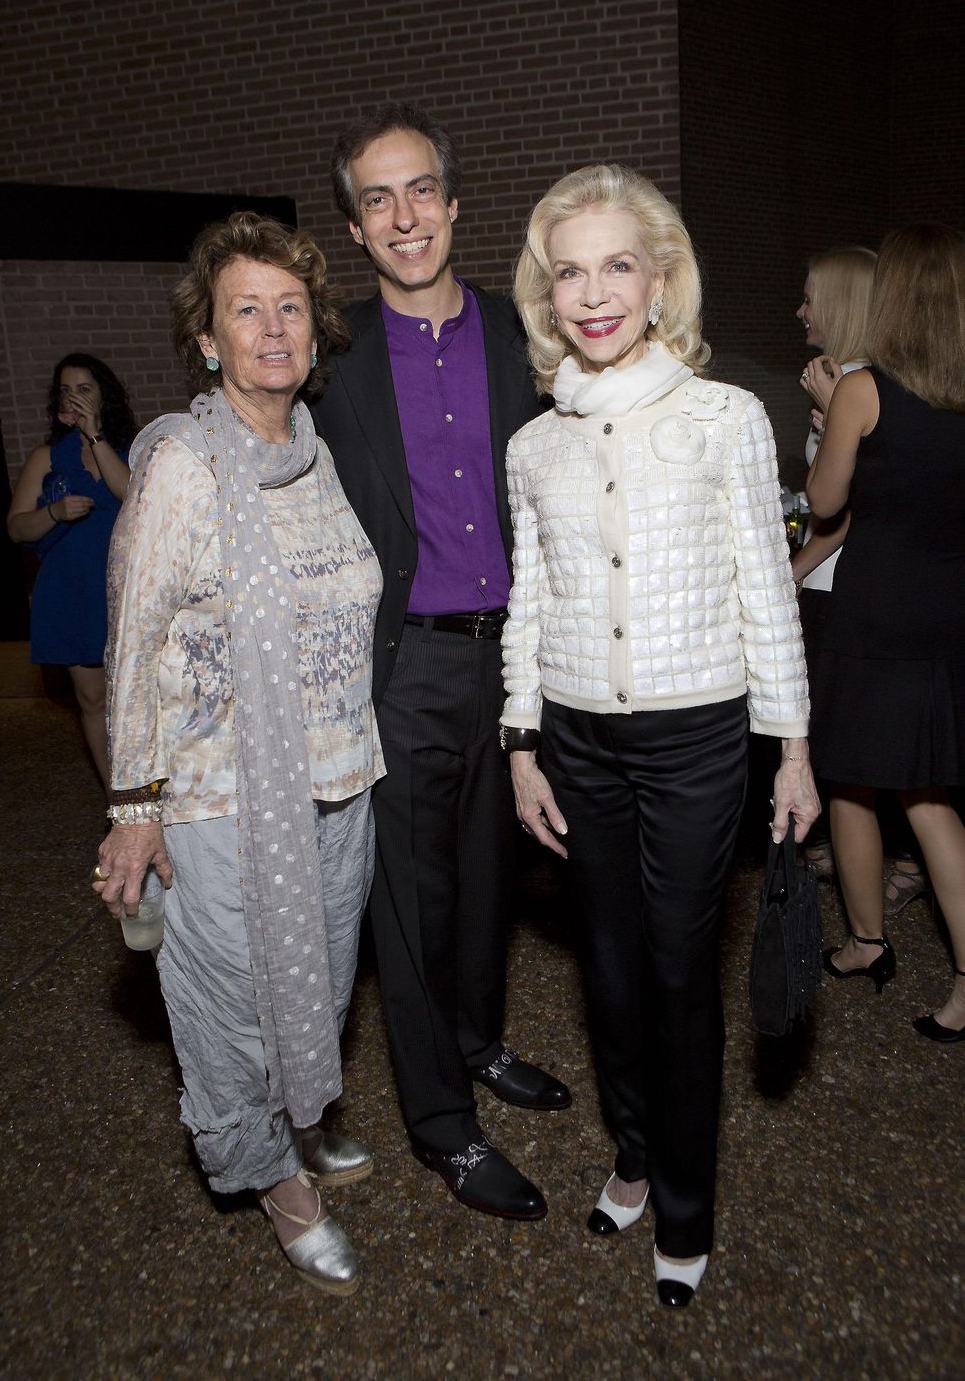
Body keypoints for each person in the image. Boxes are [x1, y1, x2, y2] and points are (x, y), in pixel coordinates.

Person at [503, 164, 817, 1304]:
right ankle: (632, 1153)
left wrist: (788, 747)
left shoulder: (723, 417)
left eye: (616, 266)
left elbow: (762, 592)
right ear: (547, 291)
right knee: (612, 973)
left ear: (659, 277)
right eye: (569, 270)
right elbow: (528, 601)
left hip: (695, 741)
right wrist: (521, 740)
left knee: (682, 975)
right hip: (575, 741)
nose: (593, 294)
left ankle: (684, 1206)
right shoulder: (533, 444)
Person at [92, 211, 385, 1292]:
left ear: (315, 331)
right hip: (218, 800)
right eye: (244, 311)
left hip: (341, 782)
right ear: (208, 342)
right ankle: (273, 1181)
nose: (272, 328)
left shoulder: (314, 455)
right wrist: (135, 806)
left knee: (318, 981)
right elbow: (131, 643)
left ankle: (297, 1125)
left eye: (290, 307)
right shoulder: (182, 465)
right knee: (230, 1005)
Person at [313, 101, 568, 1223]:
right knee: (409, 900)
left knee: (487, 875)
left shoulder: (532, 334)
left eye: (420, 189)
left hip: (513, 656)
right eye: (378, 198)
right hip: (402, 661)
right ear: (356, 232)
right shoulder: (332, 361)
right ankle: (440, 1123)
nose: (403, 215)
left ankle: (476, 1041)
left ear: (456, 206)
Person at [807, 223, 965, 1044]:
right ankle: (904, 956)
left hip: (875, 619)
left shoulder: (866, 389)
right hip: (947, 615)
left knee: (861, 783)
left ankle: (873, 944)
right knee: (926, 793)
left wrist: (827, 406)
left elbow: (826, 499)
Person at [794, 248, 929, 910]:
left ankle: (889, 877)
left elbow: (839, 509)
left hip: (851, 589)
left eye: (812, 297)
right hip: (867, 588)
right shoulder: (862, 379)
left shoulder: (854, 384)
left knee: (861, 749)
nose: (801, 311)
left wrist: (788, 572)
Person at [7, 353, 136, 785]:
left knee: (140, 697)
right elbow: (16, 528)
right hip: (71, 590)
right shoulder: (47, 457)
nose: (73, 397)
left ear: (105, 396)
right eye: (65, 389)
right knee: (93, 699)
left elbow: (132, 495)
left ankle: (160, 793)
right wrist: (55, 513)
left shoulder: (133, 448)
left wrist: (95, 436)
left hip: (128, 589)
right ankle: (119, 799)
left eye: (84, 388)